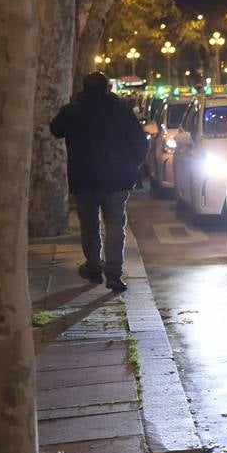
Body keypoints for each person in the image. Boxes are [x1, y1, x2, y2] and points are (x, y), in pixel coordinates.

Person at [50, 72, 149, 292]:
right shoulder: (121, 112)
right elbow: (141, 143)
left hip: (85, 179)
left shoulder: (74, 112)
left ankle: (94, 267)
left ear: (84, 89)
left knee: (89, 225)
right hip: (117, 178)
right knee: (115, 225)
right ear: (108, 88)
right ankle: (114, 273)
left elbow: (55, 129)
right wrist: (132, 166)